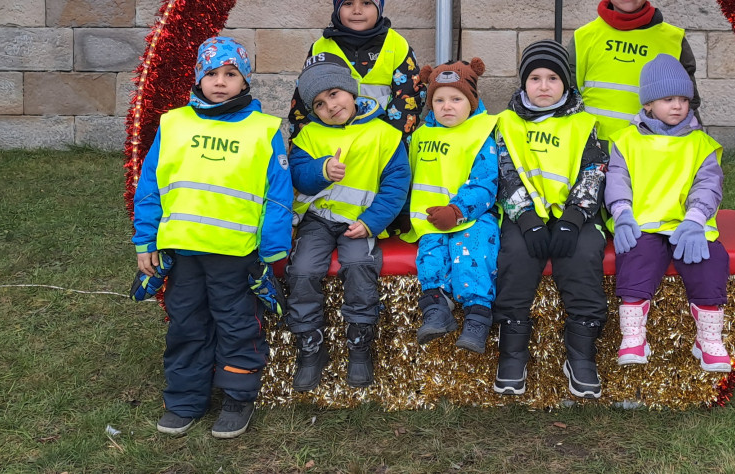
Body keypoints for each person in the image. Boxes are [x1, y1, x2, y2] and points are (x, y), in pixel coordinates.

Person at [132, 36, 292, 439]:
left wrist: (272, 252)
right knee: (186, 324)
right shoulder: (173, 123)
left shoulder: (264, 129)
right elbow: (150, 186)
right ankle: (185, 400)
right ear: (199, 78)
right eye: (212, 73)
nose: (220, 81)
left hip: (236, 256)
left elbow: (278, 195)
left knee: (237, 326)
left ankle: (238, 398)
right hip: (184, 253)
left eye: (231, 73)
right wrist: (145, 241)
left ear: (245, 80)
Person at [491, 40, 609, 398]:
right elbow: (504, 172)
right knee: (515, 255)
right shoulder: (506, 122)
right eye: (535, 78)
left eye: (553, 78)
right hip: (524, 214)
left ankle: (581, 354)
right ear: (523, 83)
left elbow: (593, 172)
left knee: (584, 255)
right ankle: (512, 353)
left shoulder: (584, 123)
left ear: (566, 84)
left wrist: (574, 218)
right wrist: (526, 218)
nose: (544, 86)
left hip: (575, 214)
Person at [285, 53, 410, 391]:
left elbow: (396, 184)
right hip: (318, 220)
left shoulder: (385, 134)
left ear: (351, 91)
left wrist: (371, 223)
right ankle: (310, 346)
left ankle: (359, 344)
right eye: (320, 103)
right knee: (302, 270)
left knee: (359, 266)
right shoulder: (308, 136)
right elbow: (297, 175)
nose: (330, 106)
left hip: (360, 222)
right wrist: (321, 170)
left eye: (334, 94)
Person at [605, 54, 732, 373]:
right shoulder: (626, 140)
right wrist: (622, 213)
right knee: (636, 257)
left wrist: (696, 219)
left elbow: (708, 185)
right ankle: (633, 335)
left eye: (683, 100)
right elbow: (617, 179)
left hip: (688, 225)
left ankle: (708, 339)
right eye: (668, 99)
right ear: (648, 104)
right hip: (642, 223)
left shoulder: (701, 143)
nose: (677, 106)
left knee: (709, 259)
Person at [400, 58, 500, 354]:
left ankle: (477, 317)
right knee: (431, 256)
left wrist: (457, 212)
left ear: (471, 102)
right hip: (431, 219)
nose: (447, 107)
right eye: (439, 100)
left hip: (473, 216)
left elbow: (485, 183)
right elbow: (410, 177)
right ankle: (436, 310)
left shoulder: (481, 133)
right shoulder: (420, 136)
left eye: (456, 99)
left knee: (473, 254)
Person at [570, 0, 700, 144]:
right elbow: (567, 96)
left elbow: (689, 102)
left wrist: (695, 144)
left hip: (652, 149)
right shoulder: (584, 37)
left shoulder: (673, 39)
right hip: (593, 149)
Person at [287, 0, 424, 136]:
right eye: (348, 3)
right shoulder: (320, 48)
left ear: (378, 7)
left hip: (382, 143)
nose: (357, 10)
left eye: (366, 3)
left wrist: (390, 142)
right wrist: (305, 146)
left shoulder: (397, 45)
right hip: (332, 143)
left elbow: (409, 100)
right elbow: (303, 103)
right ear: (337, 8)